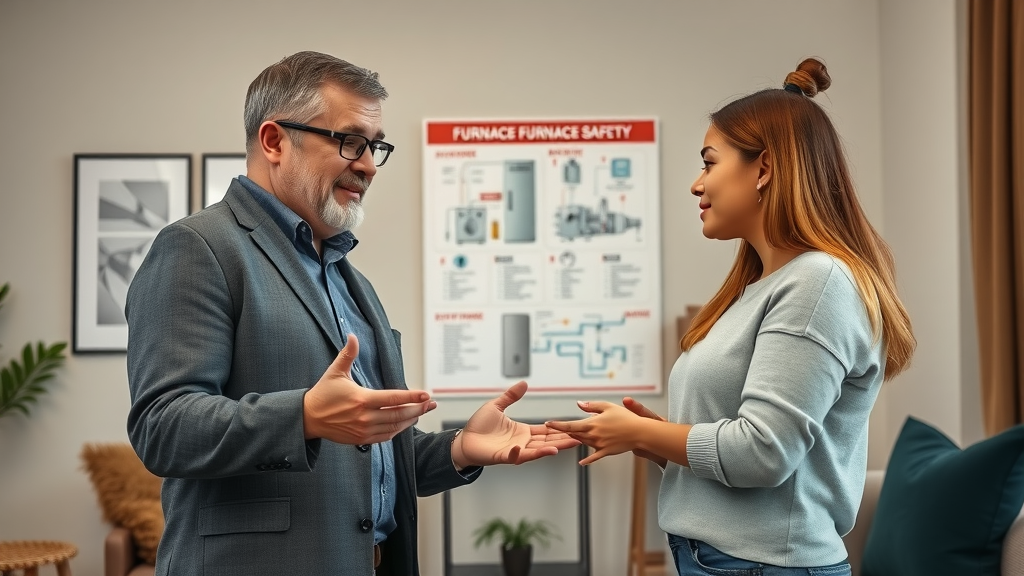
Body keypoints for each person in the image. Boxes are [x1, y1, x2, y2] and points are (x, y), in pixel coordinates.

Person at [125, 51, 577, 576]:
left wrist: (460, 450)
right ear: (274, 141)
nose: (367, 165)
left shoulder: (348, 279)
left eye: (375, 146)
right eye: (350, 141)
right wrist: (304, 416)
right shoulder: (198, 247)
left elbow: (366, 456)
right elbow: (163, 426)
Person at [547, 58, 916, 576]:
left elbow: (764, 453)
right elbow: (750, 454)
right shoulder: (760, 288)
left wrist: (643, 435)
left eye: (709, 163)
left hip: (765, 566)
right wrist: (657, 438)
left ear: (763, 169)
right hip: (721, 560)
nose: (696, 185)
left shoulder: (818, 283)